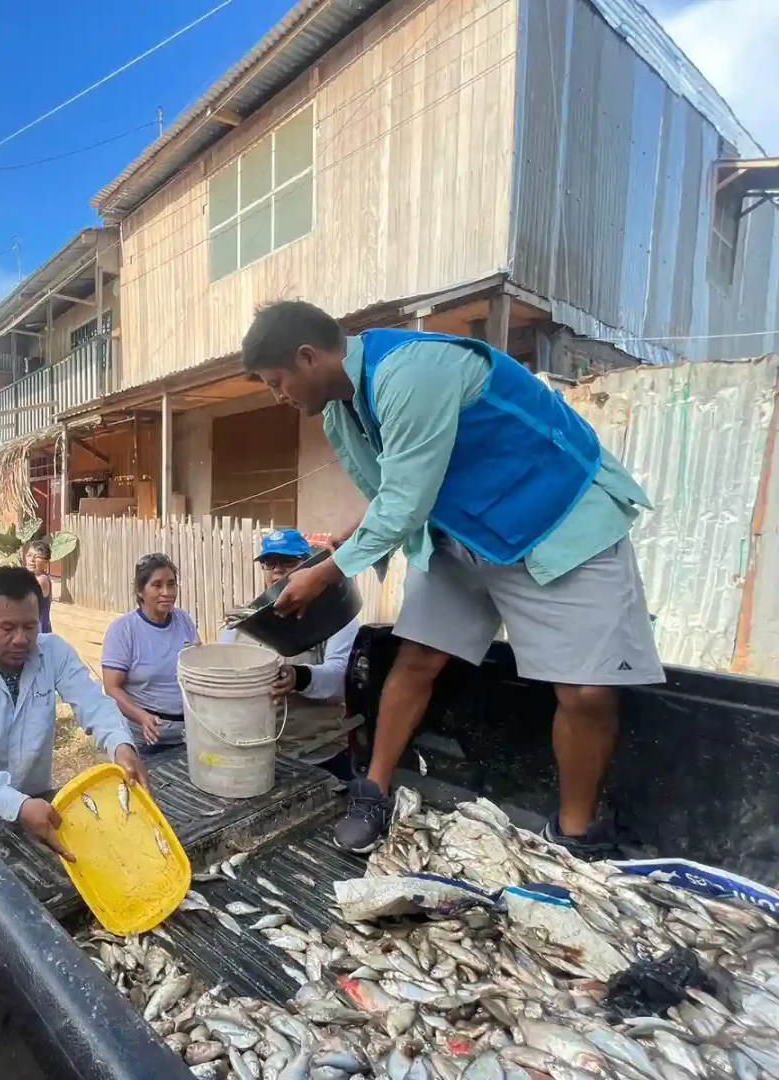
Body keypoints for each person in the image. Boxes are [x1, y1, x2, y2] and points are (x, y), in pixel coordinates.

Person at [240, 300, 662, 856]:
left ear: (307, 356)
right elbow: (397, 488)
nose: (279, 396)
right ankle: (374, 790)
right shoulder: (343, 408)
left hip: (556, 521)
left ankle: (575, 834)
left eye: (277, 382)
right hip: (461, 535)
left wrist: (326, 572)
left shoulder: (413, 371)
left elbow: (406, 501)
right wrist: (352, 534)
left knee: (586, 690)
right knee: (415, 657)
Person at [0, 566, 148, 861]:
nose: (20, 639)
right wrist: (17, 806)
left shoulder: (52, 650)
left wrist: (121, 744)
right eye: (7, 628)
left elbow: (93, 701)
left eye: (30, 627)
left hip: (38, 803)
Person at [217, 528, 363, 772]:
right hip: (258, 756)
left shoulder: (336, 615)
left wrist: (299, 677)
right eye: (269, 564)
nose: (277, 571)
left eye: (287, 562)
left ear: (307, 565)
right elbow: (221, 668)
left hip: (319, 756)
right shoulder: (246, 621)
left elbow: (340, 679)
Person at [100, 554, 201, 753]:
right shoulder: (123, 630)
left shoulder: (183, 620)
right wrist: (142, 717)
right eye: (157, 585)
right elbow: (112, 688)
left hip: (188, 734)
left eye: (171, 584)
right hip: (144, 740)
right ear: (140, 590)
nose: (167, 592)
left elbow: (198, 665)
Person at [25, 540, 54, 633]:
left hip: (38, 631)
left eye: (37, 557)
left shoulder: (42, 580)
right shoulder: (28, 577)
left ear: (46, 562)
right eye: (29, 555)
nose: (32, 560)